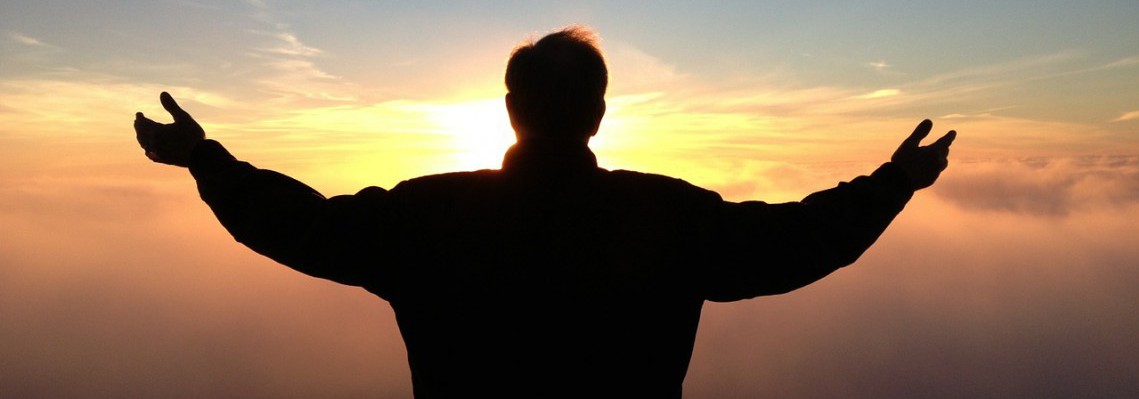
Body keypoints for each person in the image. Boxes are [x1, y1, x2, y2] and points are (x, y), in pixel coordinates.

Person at [134, 26, 954, 399]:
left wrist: (204, 157)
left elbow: (299, 224)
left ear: (510, 109)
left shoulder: (430, 217)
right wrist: (893, 182)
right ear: (597, 116)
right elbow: (799, 242)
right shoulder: (667, 217)